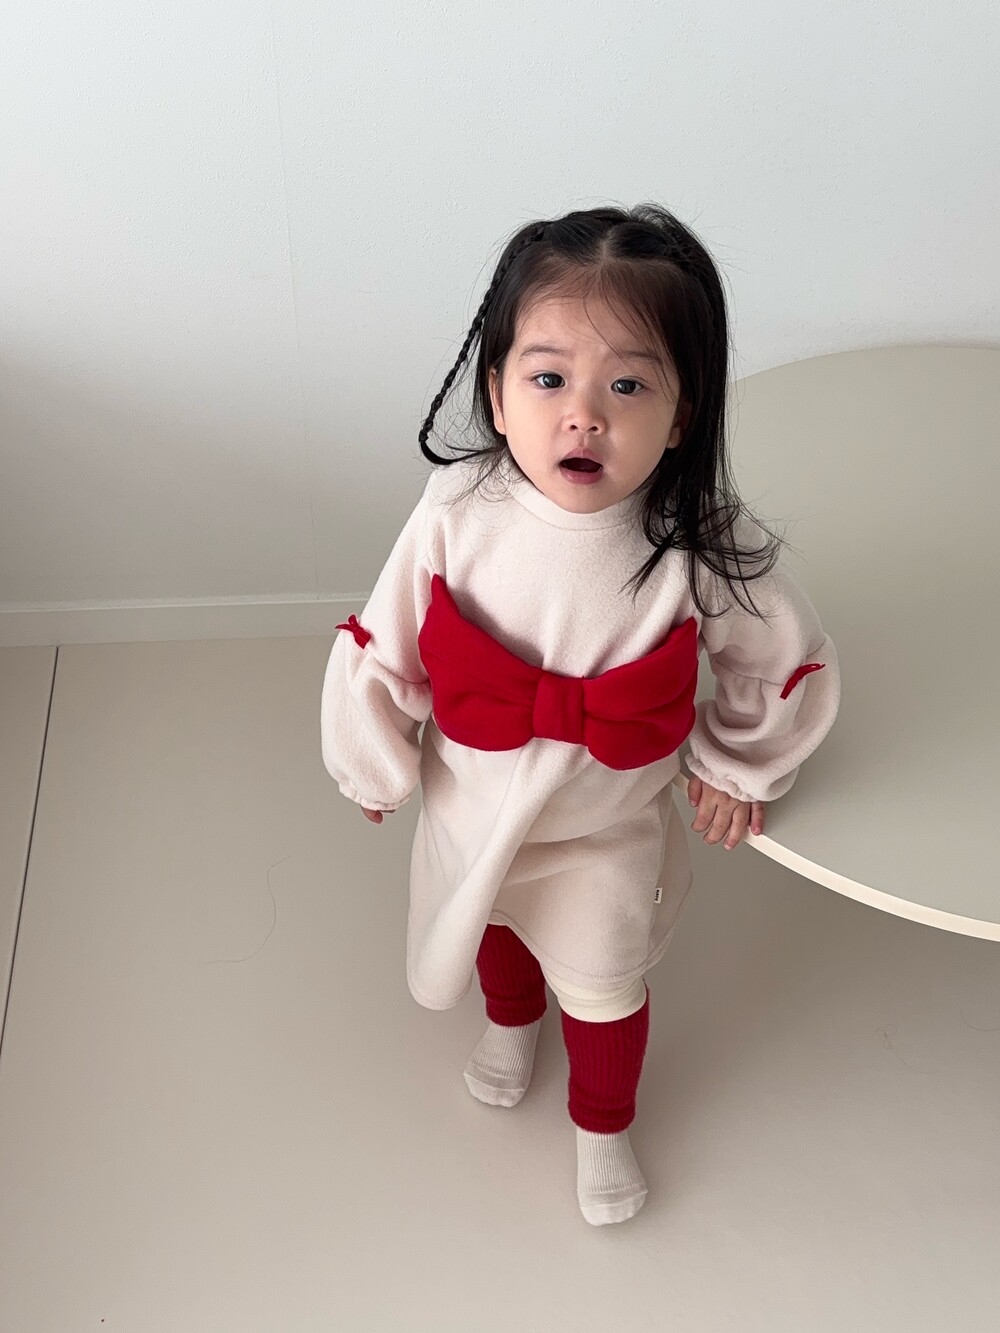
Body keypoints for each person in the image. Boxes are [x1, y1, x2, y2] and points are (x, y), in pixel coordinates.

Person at [320, 203, 840, 1227]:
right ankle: (510, 1023)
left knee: (605, 985)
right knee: (491, 920)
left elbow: (783, 650)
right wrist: (371, 756)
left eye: (628, 385)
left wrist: (738, 763)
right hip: (475, 799)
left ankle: (603, 1125)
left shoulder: (695, 538)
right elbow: (390, 636)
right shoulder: (457, 509)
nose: (584, 416)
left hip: (605, 823)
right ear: (497, 393)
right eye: (549, 378)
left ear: (682, 414)